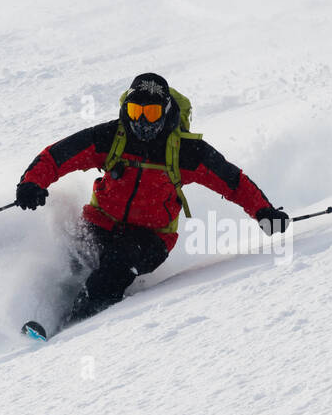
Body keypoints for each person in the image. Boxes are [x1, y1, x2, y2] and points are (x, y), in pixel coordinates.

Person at [16, 72, 288, 330]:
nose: (143, 122)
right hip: (101, 224)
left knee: (114, 267)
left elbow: (233, 182)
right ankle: (19, 316)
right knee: (67, 259)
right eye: (136, 111)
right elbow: (58, 156)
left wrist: (263, 211)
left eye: (152, 112)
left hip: (150, 238)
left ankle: (69, 330)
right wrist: (32, 183)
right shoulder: (111, 137)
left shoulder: (186, 151)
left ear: (166, 111)